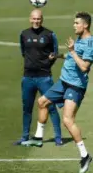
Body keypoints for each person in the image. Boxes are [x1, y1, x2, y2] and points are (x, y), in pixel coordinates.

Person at [31, 12, 93, 173]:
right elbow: (73, 56)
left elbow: (84, 67)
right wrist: (60, 55)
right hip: (63, 82)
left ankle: (85, 155)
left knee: (68, 120)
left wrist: (73, 51)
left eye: (76, 23)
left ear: (85, 25)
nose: (74, 25)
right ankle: (38, 137)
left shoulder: (91, 44)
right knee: (42, 102)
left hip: (75, 86)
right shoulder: (80, 40)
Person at [14, 9, 63, 146]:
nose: (36, 21)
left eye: (39, 19)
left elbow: (55, 52)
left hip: (44, 77)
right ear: (30, 19)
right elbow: (23, 52)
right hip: (28, 77)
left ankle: (58, 137)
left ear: (42, 19)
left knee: (51, 107)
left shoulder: (49, 34)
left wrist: (47, 64)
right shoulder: (24, 34)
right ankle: (24, 136)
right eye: (34, 19)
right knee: (27, 108)